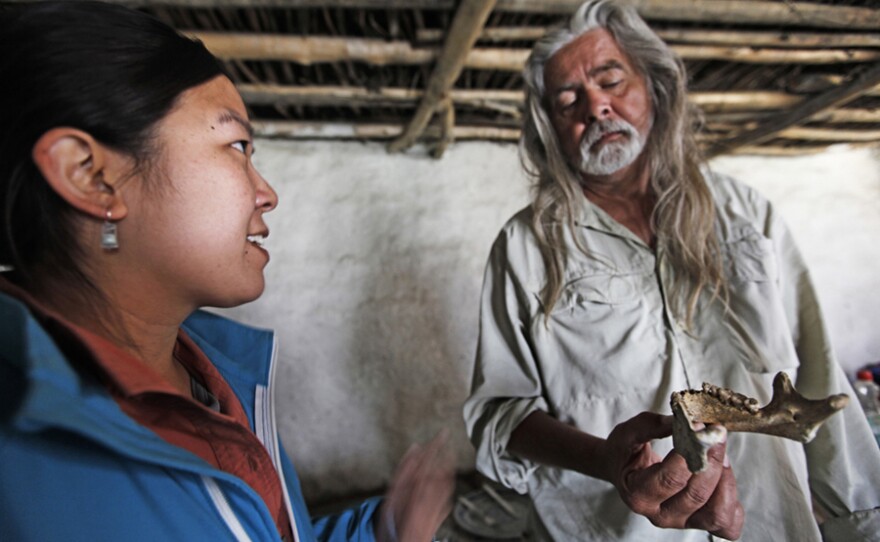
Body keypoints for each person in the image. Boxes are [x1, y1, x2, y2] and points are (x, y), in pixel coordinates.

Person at [0, 2, 452, 541]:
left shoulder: (220, 378)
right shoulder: (18, 454)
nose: (267, 194)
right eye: (236, 146)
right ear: (93, 177)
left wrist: (380, 533)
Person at [463, 1, 880, 540]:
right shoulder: (526, 247)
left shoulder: (746, 216)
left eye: (612, 81)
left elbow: (820, 381)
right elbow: (499, 413)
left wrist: (864, 523)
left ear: (655, 88)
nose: (597, 107)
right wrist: (610, 462)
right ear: (551, 130)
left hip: (770, 523)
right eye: (569, 101)